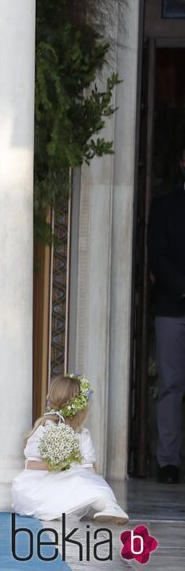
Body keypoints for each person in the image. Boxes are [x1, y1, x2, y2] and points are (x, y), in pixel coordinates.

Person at [11, 375, 128, 524]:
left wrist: (90, 478)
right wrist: (58, 464)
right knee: (76, 482)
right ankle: (65, 509)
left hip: (70, 480)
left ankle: (110, 507)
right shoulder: (46, 429)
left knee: (87, 481)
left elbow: (88, 468)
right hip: (42, 483)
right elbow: (31, 464)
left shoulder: (82, 434)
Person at [147, 147, 185, 484]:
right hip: (173, 308)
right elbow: (157, 254)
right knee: (171, 386)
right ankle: (168, 462)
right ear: (182, 161)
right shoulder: (164, 207)